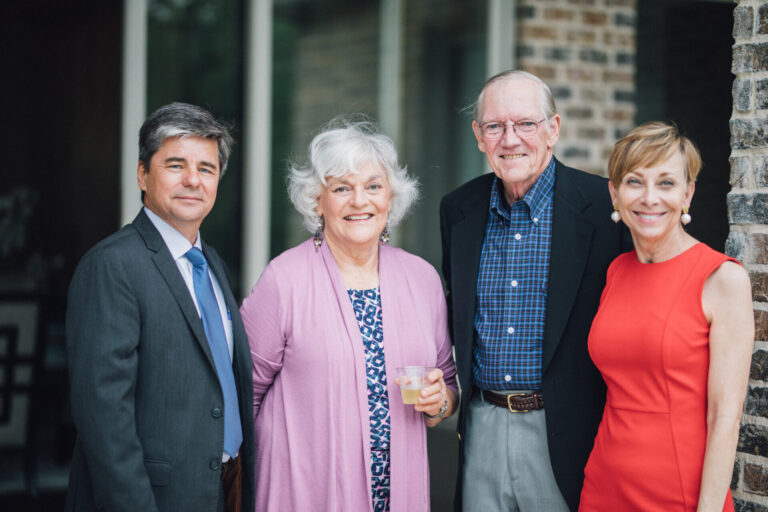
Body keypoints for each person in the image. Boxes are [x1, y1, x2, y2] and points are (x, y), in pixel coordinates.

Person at [240, 118, 458, 512]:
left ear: (390, 198)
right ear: (317, 201)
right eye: (342, 188)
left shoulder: (423, 280)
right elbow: (242, 393)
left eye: (373, 186)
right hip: (304, 494)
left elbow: (449, 386)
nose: (360, 201)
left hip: (397, 495)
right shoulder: (284, 279)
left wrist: (440, 401)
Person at [440, 69, 632, 511]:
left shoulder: (606, 208)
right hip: (481, 428)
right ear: (478, 135)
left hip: (567, 432)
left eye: (525, 123)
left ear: (553, 130)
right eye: (495, 126)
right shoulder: (458, 209)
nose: (510, 139)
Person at [65, 102, 255, 512]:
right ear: (142, 174)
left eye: (206, 168)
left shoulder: (213, 265)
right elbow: (104, 420)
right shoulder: (112, 265)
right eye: (175, 165)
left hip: (222, 493)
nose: (193, 180)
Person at [578, 121, 754, 511]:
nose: (650, 198)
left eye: (667, 183)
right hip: (603, 486)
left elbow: (723, 417)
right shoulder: (616, 271)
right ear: (614, 193)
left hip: (678, 494)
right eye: (635, 182)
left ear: (688, 193)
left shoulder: (722, 278)